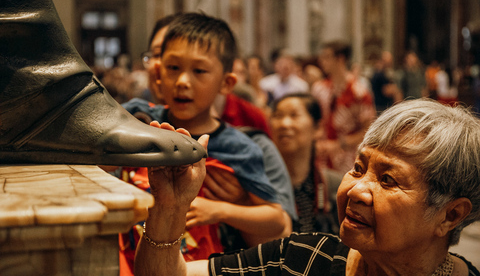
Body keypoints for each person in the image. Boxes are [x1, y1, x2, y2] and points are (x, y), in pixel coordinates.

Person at [135, 98, 480, 276]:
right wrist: (170, 205)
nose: (357, 190)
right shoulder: (301, 259)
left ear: (450, 215)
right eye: (358, 168)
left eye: (388, 180)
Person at [123, 12, 290, 263]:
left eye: (199, 71)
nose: (182, 81)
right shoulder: (139, 117)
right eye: (173, 68)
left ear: (226, 83)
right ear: (158, 73)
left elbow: (276, 221)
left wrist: (220, 210)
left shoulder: (240, 148)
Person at [270, 93, 343, 234]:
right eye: (278, 116)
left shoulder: (335, 186)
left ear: (317, 128)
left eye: (294, 115)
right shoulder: (260, 185)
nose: (284, 124)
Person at [311, 40, 376, 174]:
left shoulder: (359, 92)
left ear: (340, 59)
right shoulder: (319, 89)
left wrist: (339, 144)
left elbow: (368, 130)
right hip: (321, 155)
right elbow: (315, 121)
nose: (322, 61)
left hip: (347, 159)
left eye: (327, 57)